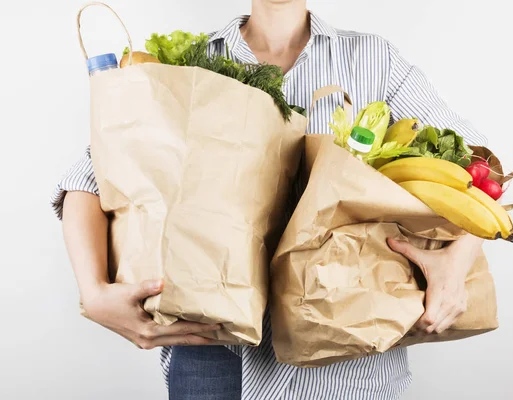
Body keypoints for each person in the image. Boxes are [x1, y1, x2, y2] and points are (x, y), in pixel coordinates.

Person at [52, 0, 488, 399]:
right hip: (211, 351)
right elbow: (91, 175)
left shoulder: (374, 62)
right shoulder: (190, 61)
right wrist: (93, 292)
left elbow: (478, 169)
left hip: (347, 353)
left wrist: (457, 260)